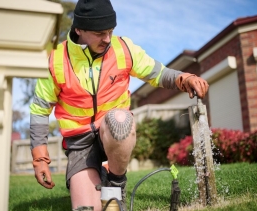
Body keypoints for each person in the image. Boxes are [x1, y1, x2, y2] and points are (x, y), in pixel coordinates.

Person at [29, 0, 209, 210]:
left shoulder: (123, 48)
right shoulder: (56, 60)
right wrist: (40, 158)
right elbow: (40, 109)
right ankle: (98, 178)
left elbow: (158, 73)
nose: (107, 39)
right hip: (80, 143)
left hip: (113, 130)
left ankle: (115, 182)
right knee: (87, 209)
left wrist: (184, 78)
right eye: (99, 33)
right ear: (79, 29)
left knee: (120, 120)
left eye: (110, 31)